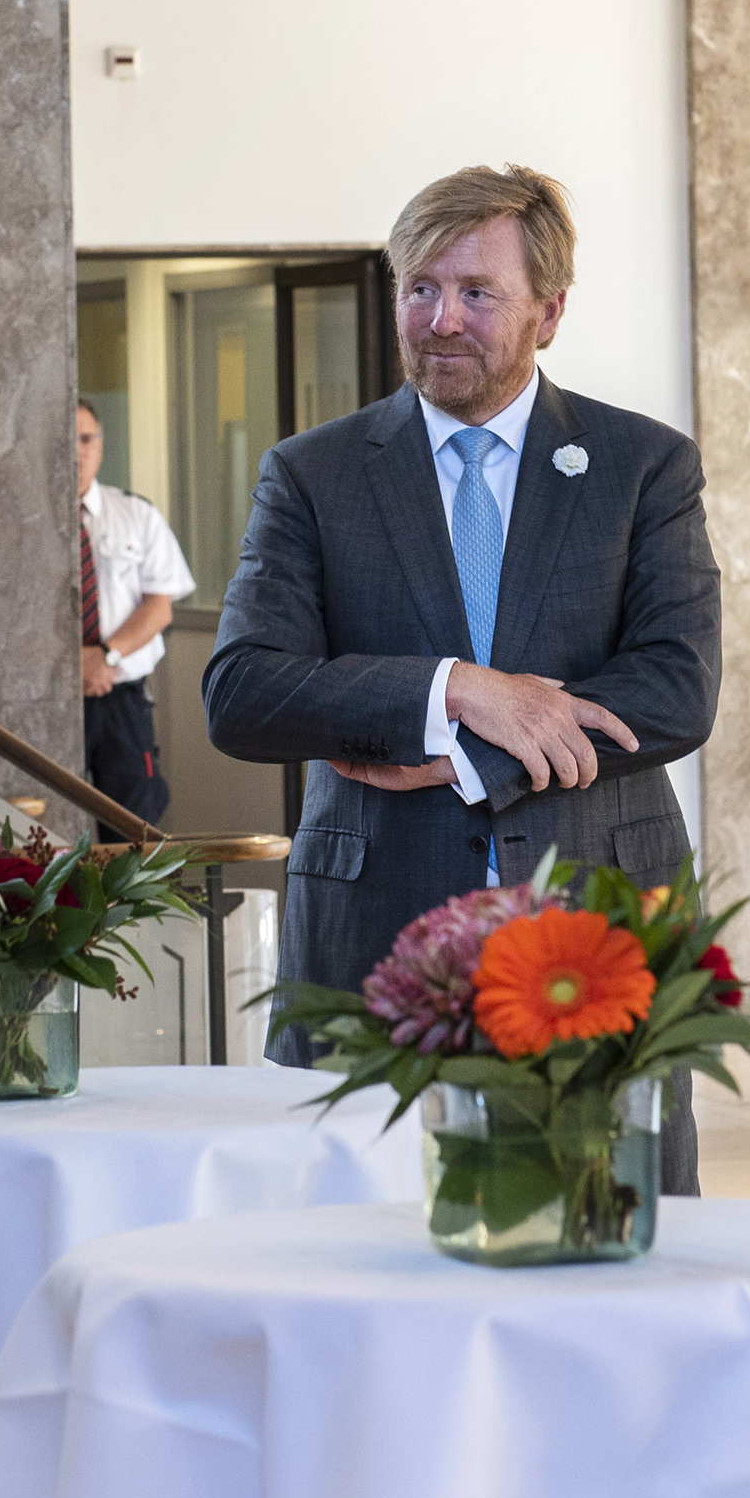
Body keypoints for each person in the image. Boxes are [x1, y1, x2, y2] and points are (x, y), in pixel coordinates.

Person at [203, 163, 720, 1192]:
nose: (440, 320)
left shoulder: (640, 467)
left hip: (593, 910)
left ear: (549, 312)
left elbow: (674, 687)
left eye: (476, 293)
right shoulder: (313, 474)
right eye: (419, 289)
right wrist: (454, 689)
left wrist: (473, 757)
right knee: (364, 1245)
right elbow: (246, 689)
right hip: (371, 927)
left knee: (601, 1223)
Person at [76, 401, 192, 839]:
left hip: (120, 699)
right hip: (47, 699)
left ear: (101, 445)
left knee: (131, 827)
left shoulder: (136, 514)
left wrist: (104, 658)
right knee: (39, 821)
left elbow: (158, 607)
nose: (77, 451)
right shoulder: (26, 527)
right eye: (68, 440)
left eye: (86, 439)